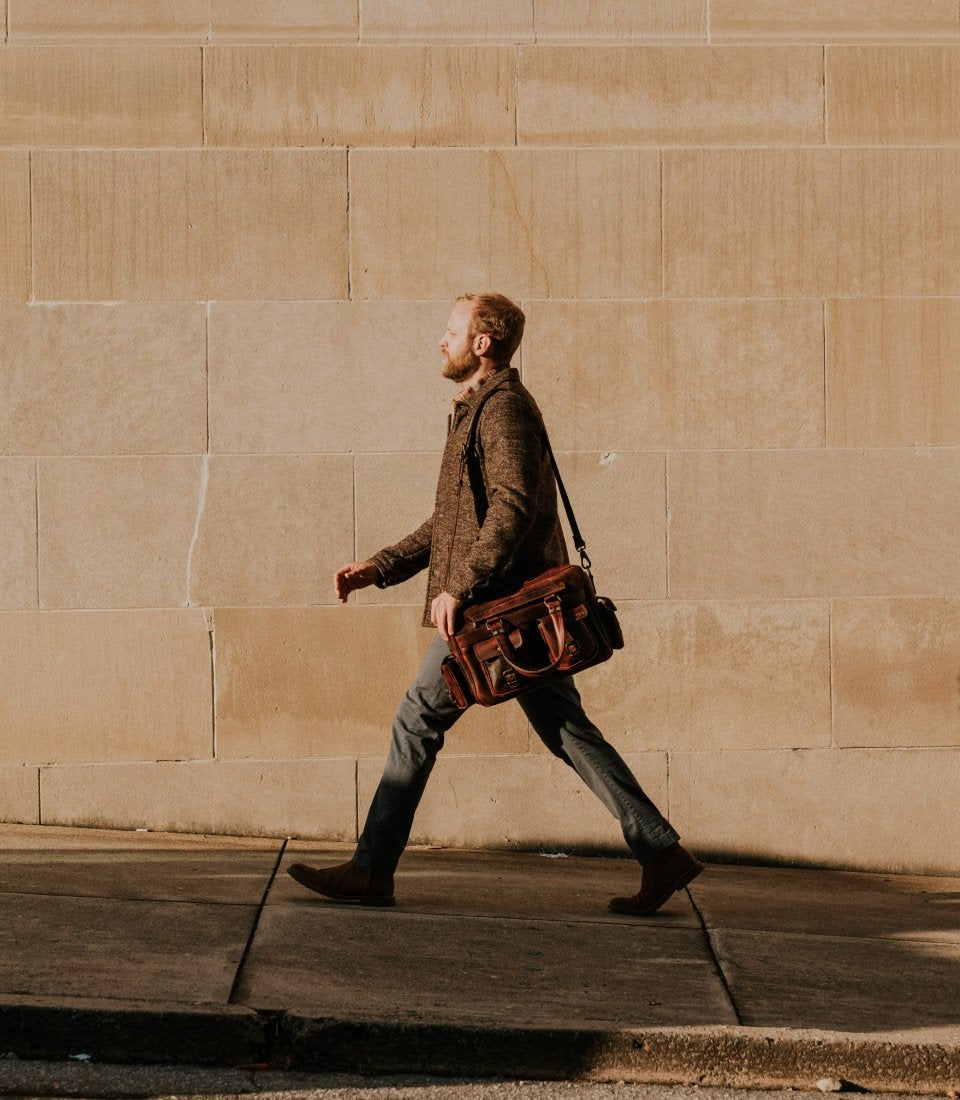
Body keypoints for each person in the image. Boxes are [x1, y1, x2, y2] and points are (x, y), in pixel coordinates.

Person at [288, 292, 703, 913]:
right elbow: (453, 520)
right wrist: (381, 567)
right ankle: (661, 852)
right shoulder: (478, 408)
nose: (441, 340)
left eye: (452, 330)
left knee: (417, 718)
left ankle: (371, 869)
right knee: (566, 730)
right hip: (510, 612)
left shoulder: (502, 408)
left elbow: (512, 506)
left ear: (482, 343)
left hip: (499, 613)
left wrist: (462, 585)